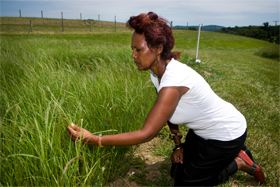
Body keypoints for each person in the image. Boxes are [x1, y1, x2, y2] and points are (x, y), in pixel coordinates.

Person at [67, 12, 265, 186]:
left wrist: (94, 140)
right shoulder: (158, 73)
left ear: (159, 48)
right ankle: (224, 158)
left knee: (186, 184)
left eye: (139, 50)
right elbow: (168, 113)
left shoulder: (173, 80)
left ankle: (237, 162)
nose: (132, 55)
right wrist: (178, 145)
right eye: (132, 49)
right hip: (203, 132)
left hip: (225, 134)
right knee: (176, 171)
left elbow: (147, 134)